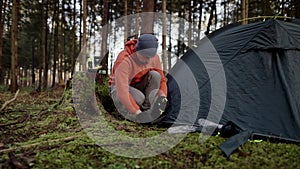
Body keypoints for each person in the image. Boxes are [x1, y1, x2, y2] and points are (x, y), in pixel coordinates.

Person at [109, 34, 168, 123]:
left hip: (139, 85)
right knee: (140, 99)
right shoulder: (124, 59)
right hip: (119, 87)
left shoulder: (154, 58)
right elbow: (122, 90)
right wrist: (137, 112)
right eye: (145, 57)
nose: (148, 61)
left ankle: (147, 113)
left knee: (155, 75)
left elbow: (162, 80)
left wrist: (162, 97)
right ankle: (129, 113)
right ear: (137, 51)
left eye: (150, 57)